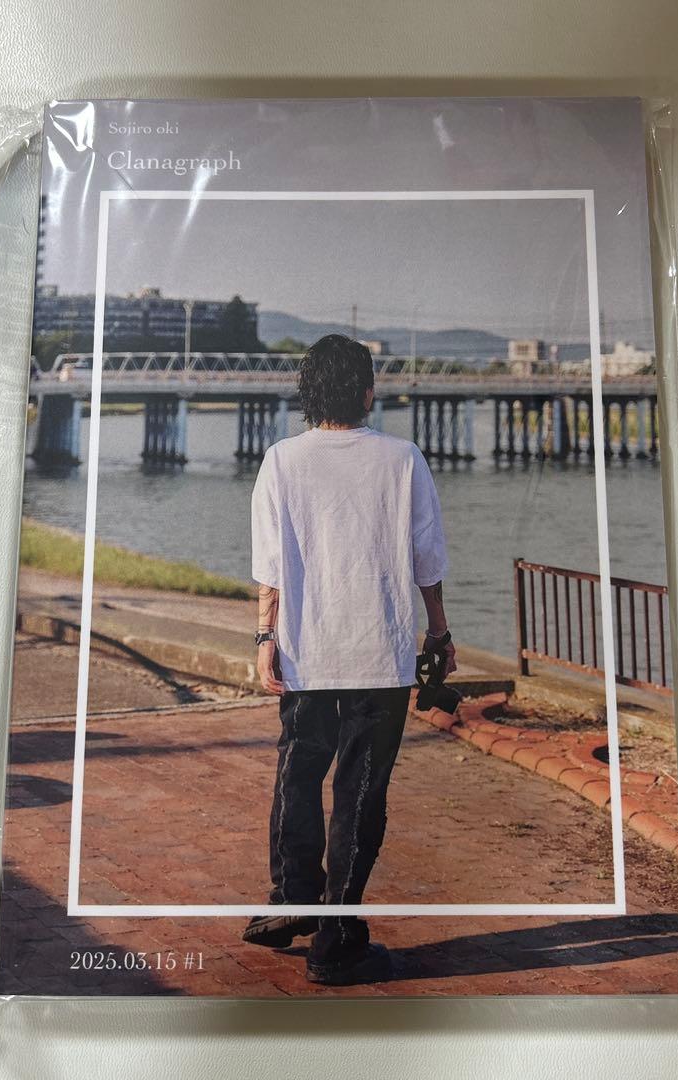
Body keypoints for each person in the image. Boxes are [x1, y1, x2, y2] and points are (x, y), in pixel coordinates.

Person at [243, 334, 457, 985]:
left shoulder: (281, 460)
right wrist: (439, 633)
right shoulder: (402, 459)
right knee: (361, 792)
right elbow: (426, 558)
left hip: (305, 651)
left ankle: (292, 900)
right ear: (367, 392)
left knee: (298, 773)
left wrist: (264, 637)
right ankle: (336, 938)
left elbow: (270, 565)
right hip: (379, 656)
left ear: (308, 393)